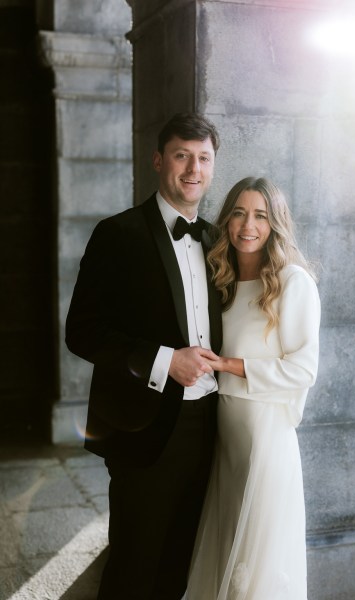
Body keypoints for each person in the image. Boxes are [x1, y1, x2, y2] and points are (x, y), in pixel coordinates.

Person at [65, 112, 223, 600]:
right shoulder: (118, 234)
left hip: (212, 427)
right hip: (144, 428)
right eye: (182, 156)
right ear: (159, 161)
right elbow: (82, 332)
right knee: (133, 568)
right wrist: (164, 361)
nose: (193, 169)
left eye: (203, 158)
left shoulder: (218, 240)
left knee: (181, 563)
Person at [186, 176, 321, 600]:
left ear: (275, 224)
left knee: (256, 568)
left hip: (265, 438)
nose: (249, 224)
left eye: (261, 215)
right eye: (240, 213)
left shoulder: (292, 281)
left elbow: (303, 369)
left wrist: (229, 364)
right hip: (226, 437)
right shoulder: (220, 281)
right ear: (227, 220)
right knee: (226, 550)